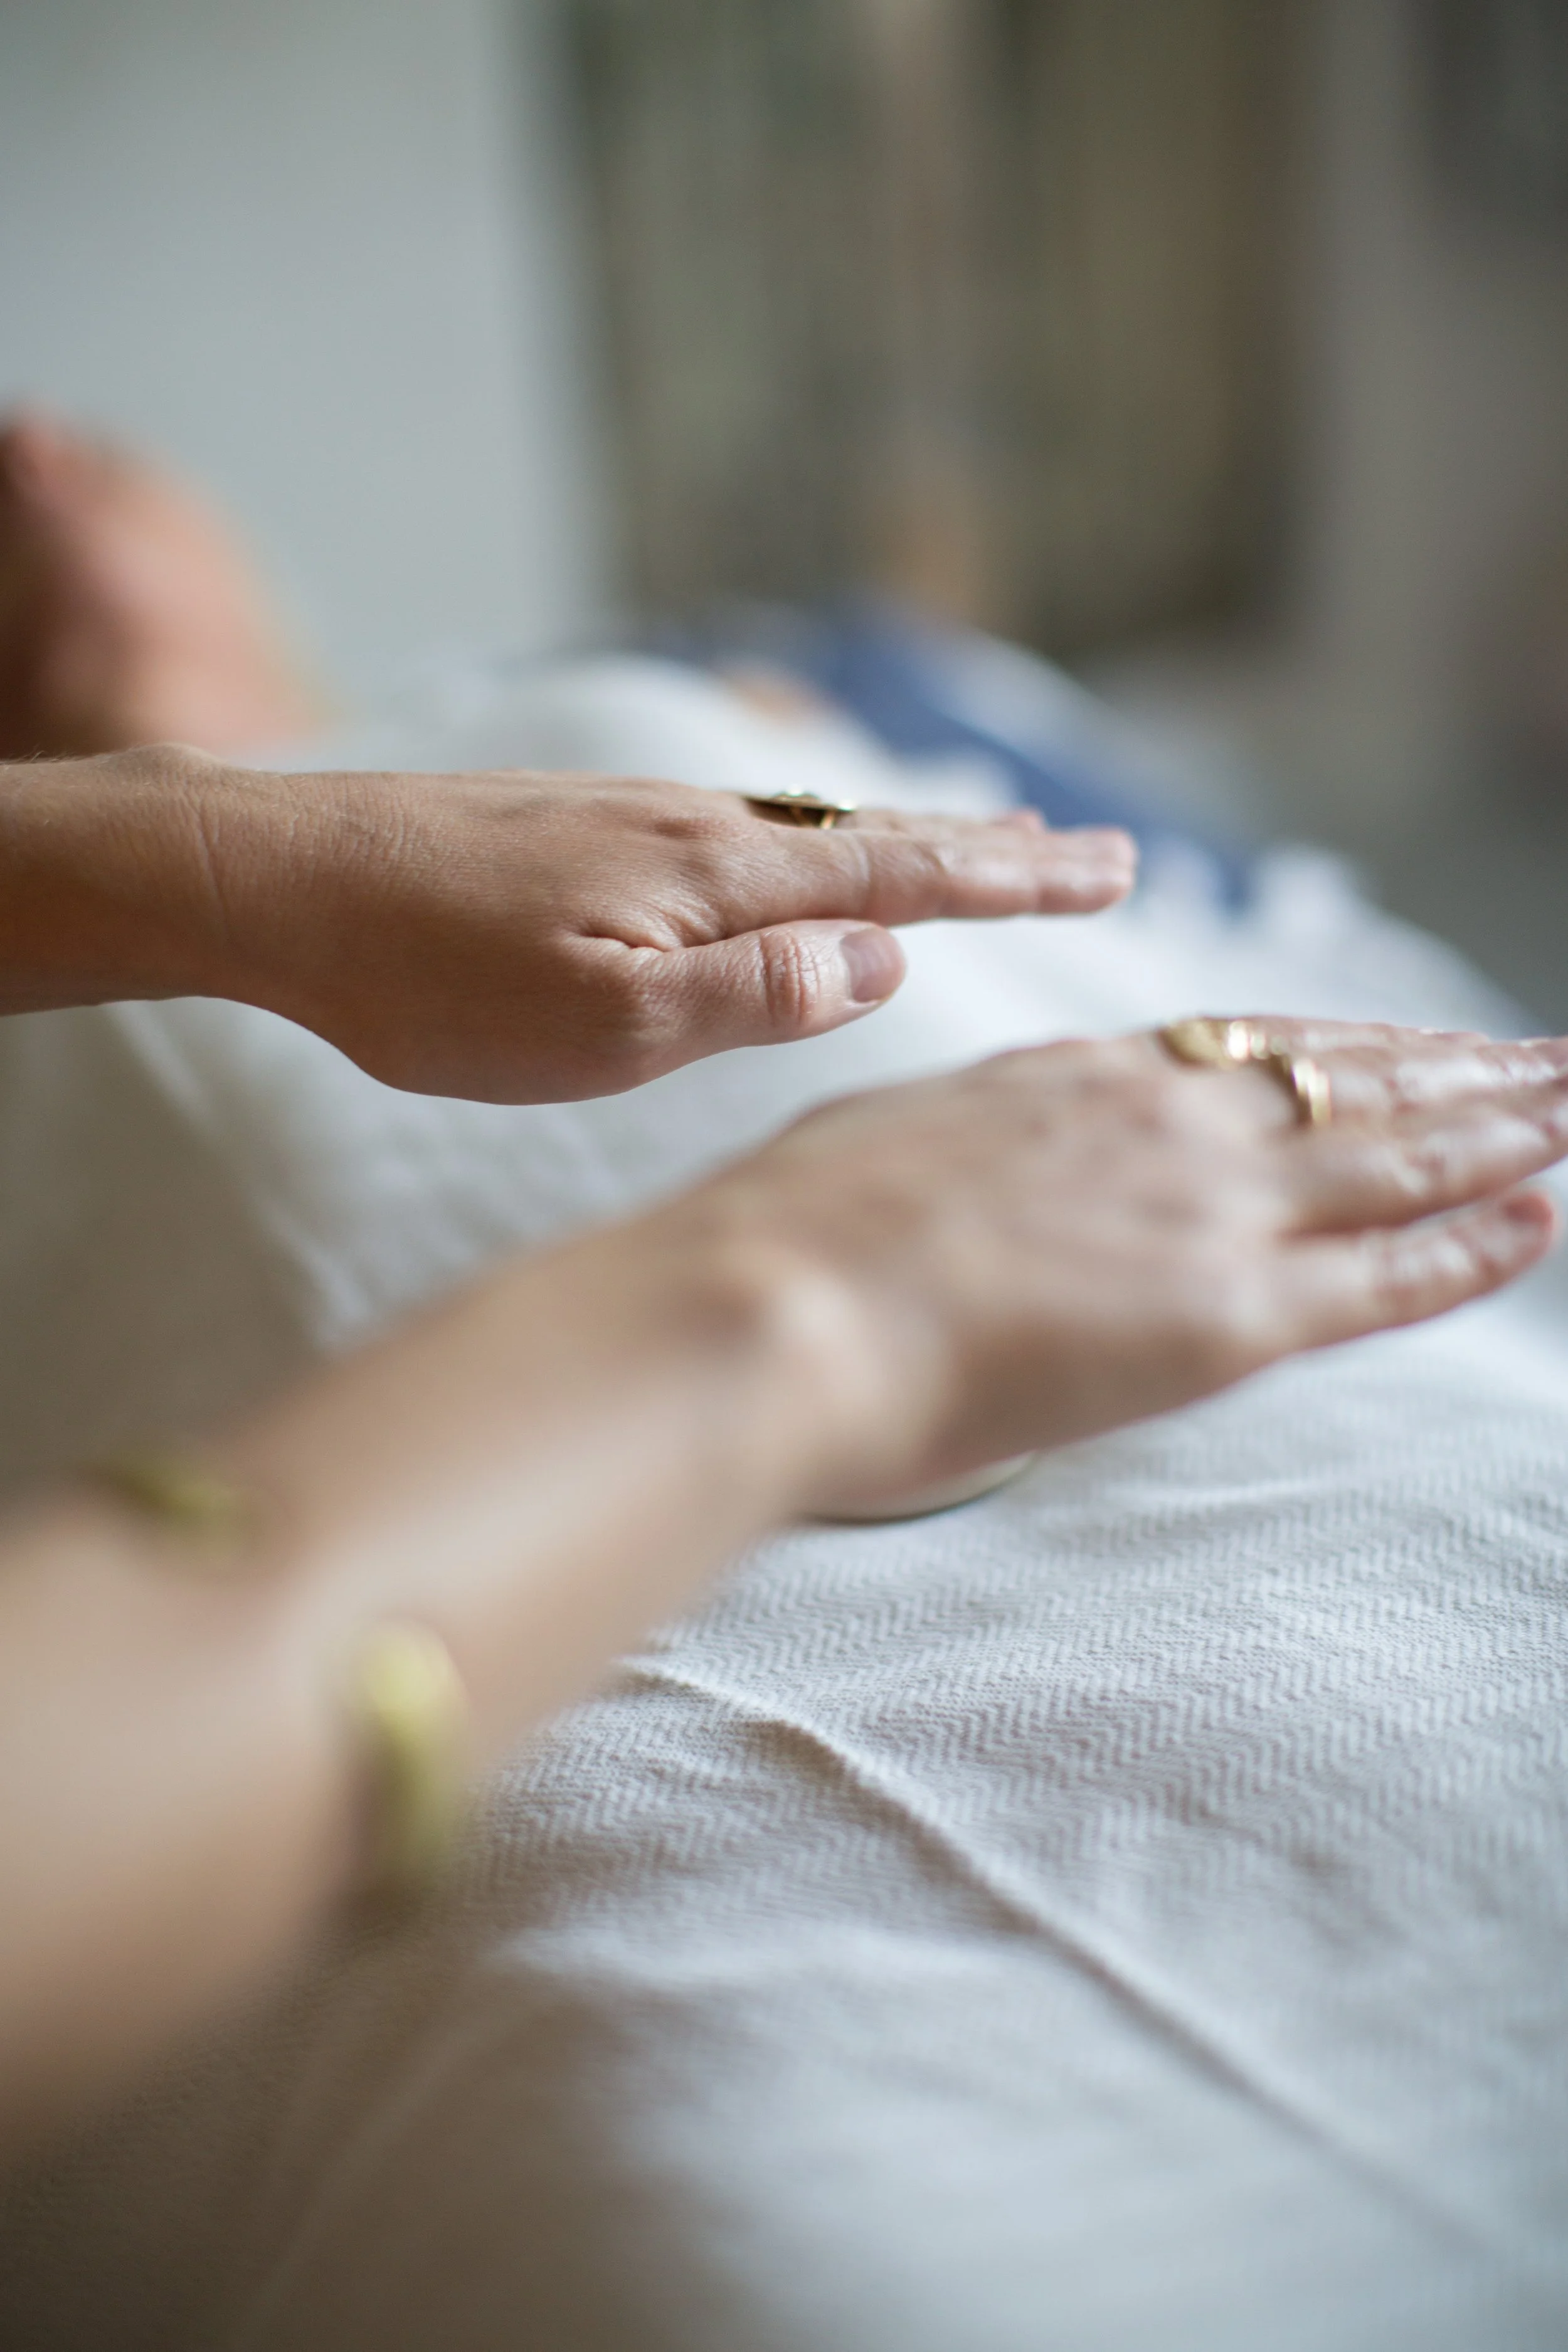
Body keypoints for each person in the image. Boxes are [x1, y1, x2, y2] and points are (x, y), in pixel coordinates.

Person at [3, 416, 1568, 2176]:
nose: (31, 452)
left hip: (1336, 1478)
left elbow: (1283, 974)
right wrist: (812, 1288)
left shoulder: (728, 715)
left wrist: (218, 845)